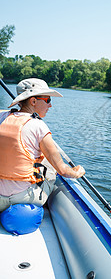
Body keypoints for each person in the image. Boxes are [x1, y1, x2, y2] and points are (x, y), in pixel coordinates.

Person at [0, 78, 85, 212]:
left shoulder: (3, 117)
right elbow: (62, 170)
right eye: (48, 100)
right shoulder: (39, 126)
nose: (50, 105)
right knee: (49, 163)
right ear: (33, 101)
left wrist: (16, 110)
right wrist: (76, 172)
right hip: (23, 198)